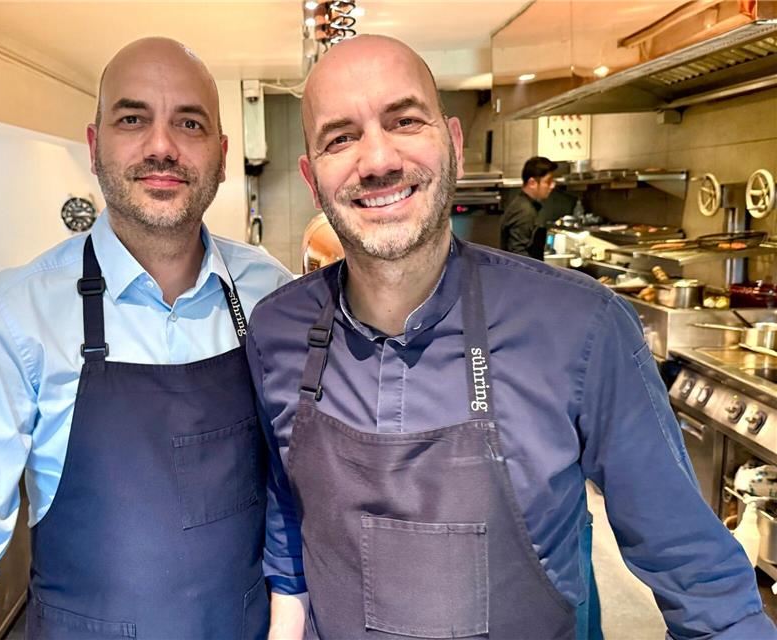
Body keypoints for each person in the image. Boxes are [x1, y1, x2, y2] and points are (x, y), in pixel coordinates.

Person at [246, 35, 775, 639]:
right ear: (313, 181)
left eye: (405, 120)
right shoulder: (278, 331)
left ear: (454, 145)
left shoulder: (581, 328)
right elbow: (288, 511)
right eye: (341, 137)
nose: (378, 160)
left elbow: (703, 584)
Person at [0, 38, 291, 639]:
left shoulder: (272, 296)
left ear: (219, 152)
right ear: (94, 145)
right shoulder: (12, 316)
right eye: (133, 118)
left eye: (188, 122)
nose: (161, 146)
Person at [500, 155, 557, 259]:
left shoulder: (525, 205)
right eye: (548, 181)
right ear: (532, 183)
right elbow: (517, 253)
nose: (552, 185)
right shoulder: (524, 211)